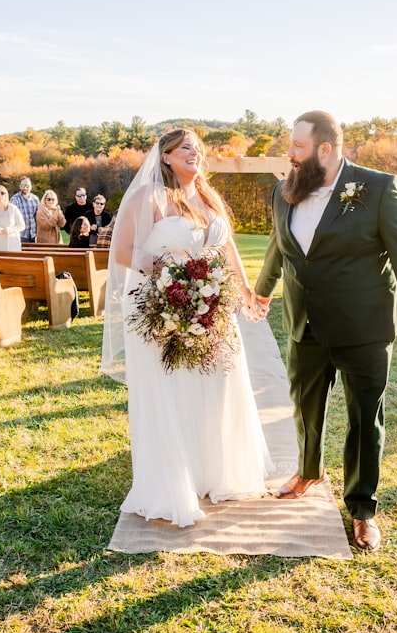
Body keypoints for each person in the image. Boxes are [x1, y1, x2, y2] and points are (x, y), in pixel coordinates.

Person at [254, 110, 397, 553]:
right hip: (305, 323)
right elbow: (282, 246)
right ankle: (309, 470)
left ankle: (362, 510)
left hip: (363, 325)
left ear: (325, 150)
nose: (289, 154)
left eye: (297, 147)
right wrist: (262, 292)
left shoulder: (377, 187)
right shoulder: (285, 189)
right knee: (304, 407)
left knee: (363, 419)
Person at [100, 128, 271, 528]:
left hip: (214, 307)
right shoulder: (150, 197)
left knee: (217, 384)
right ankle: (176, 479)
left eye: (198, 148)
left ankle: (216, 471)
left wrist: (244, 291)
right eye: (185, 148)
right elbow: (122, 251)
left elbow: (226, 249)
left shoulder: (209, 197)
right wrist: (171, 278)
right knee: (174, 387)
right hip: (165, 306)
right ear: (166, 157)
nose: (195, 154)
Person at [10, 177, 40, 244]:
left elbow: (37, 217)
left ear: (31, 187)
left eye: (27, 186)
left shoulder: (35, 199)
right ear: (20, 186)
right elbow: (11, 218)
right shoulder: (15, 200)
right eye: (23, 185)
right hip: (20, 235)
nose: (25, 188)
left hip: (33, 235)